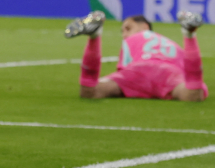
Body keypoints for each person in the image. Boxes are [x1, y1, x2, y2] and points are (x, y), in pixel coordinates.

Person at [65, 10, 207, 101]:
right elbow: (189, 73)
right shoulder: (173, 44)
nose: (124, 35)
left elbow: (124, 70)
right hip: (169, 74)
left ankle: (95, 35)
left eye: (128, 28)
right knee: (193, 94)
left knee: (89, 91)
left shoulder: (132, 40)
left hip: (138, 70)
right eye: (122, 32)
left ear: (144, 27)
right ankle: (189, 34)